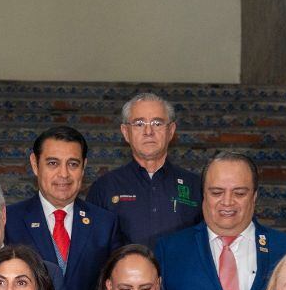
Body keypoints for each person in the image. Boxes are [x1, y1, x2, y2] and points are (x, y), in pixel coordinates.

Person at [155, 151, 286, 290]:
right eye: (217, 192)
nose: (227, 202)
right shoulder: (170, 251)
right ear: (203, 195)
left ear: (254, 196)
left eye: (239, 193)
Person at [5, 126, 120, 290]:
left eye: (73, 164)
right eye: (52, 163)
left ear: (84, 166)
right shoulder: (9, 221)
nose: (64, 174)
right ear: (35, 164)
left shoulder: (105, 223)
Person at [86, 93, 203, 247]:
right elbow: (92, 248)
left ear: (171, 131)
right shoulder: (104, 188)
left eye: (157, 123)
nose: (149, 131)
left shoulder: (196, 186)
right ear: (126, 132)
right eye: (139, 123)